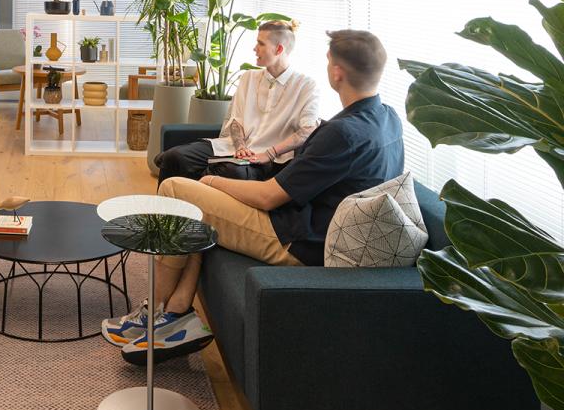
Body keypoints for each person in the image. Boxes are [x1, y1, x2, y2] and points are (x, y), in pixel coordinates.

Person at [103, 29, 404, 357]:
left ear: (337, 73)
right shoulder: (387, 119)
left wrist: (212, 183)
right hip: (310, 227)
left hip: (297, 241)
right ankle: (175, 312)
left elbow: (268, 197)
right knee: (197, 211)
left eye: (329, 60)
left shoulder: (341, 133)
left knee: (175, 189)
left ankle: (154, 313)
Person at [155, 20, 320, 185]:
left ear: (278, 49)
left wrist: (269, 153)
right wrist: (240, 147)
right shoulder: (249, 78)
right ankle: (163, 211)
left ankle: (199, 194)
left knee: (230, 171)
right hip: (231, 148)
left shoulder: (305, 86)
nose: (255, 49)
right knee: (174, 157)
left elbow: (308, 130)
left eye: (260, 44)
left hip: (270, 160)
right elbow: (236, 121)